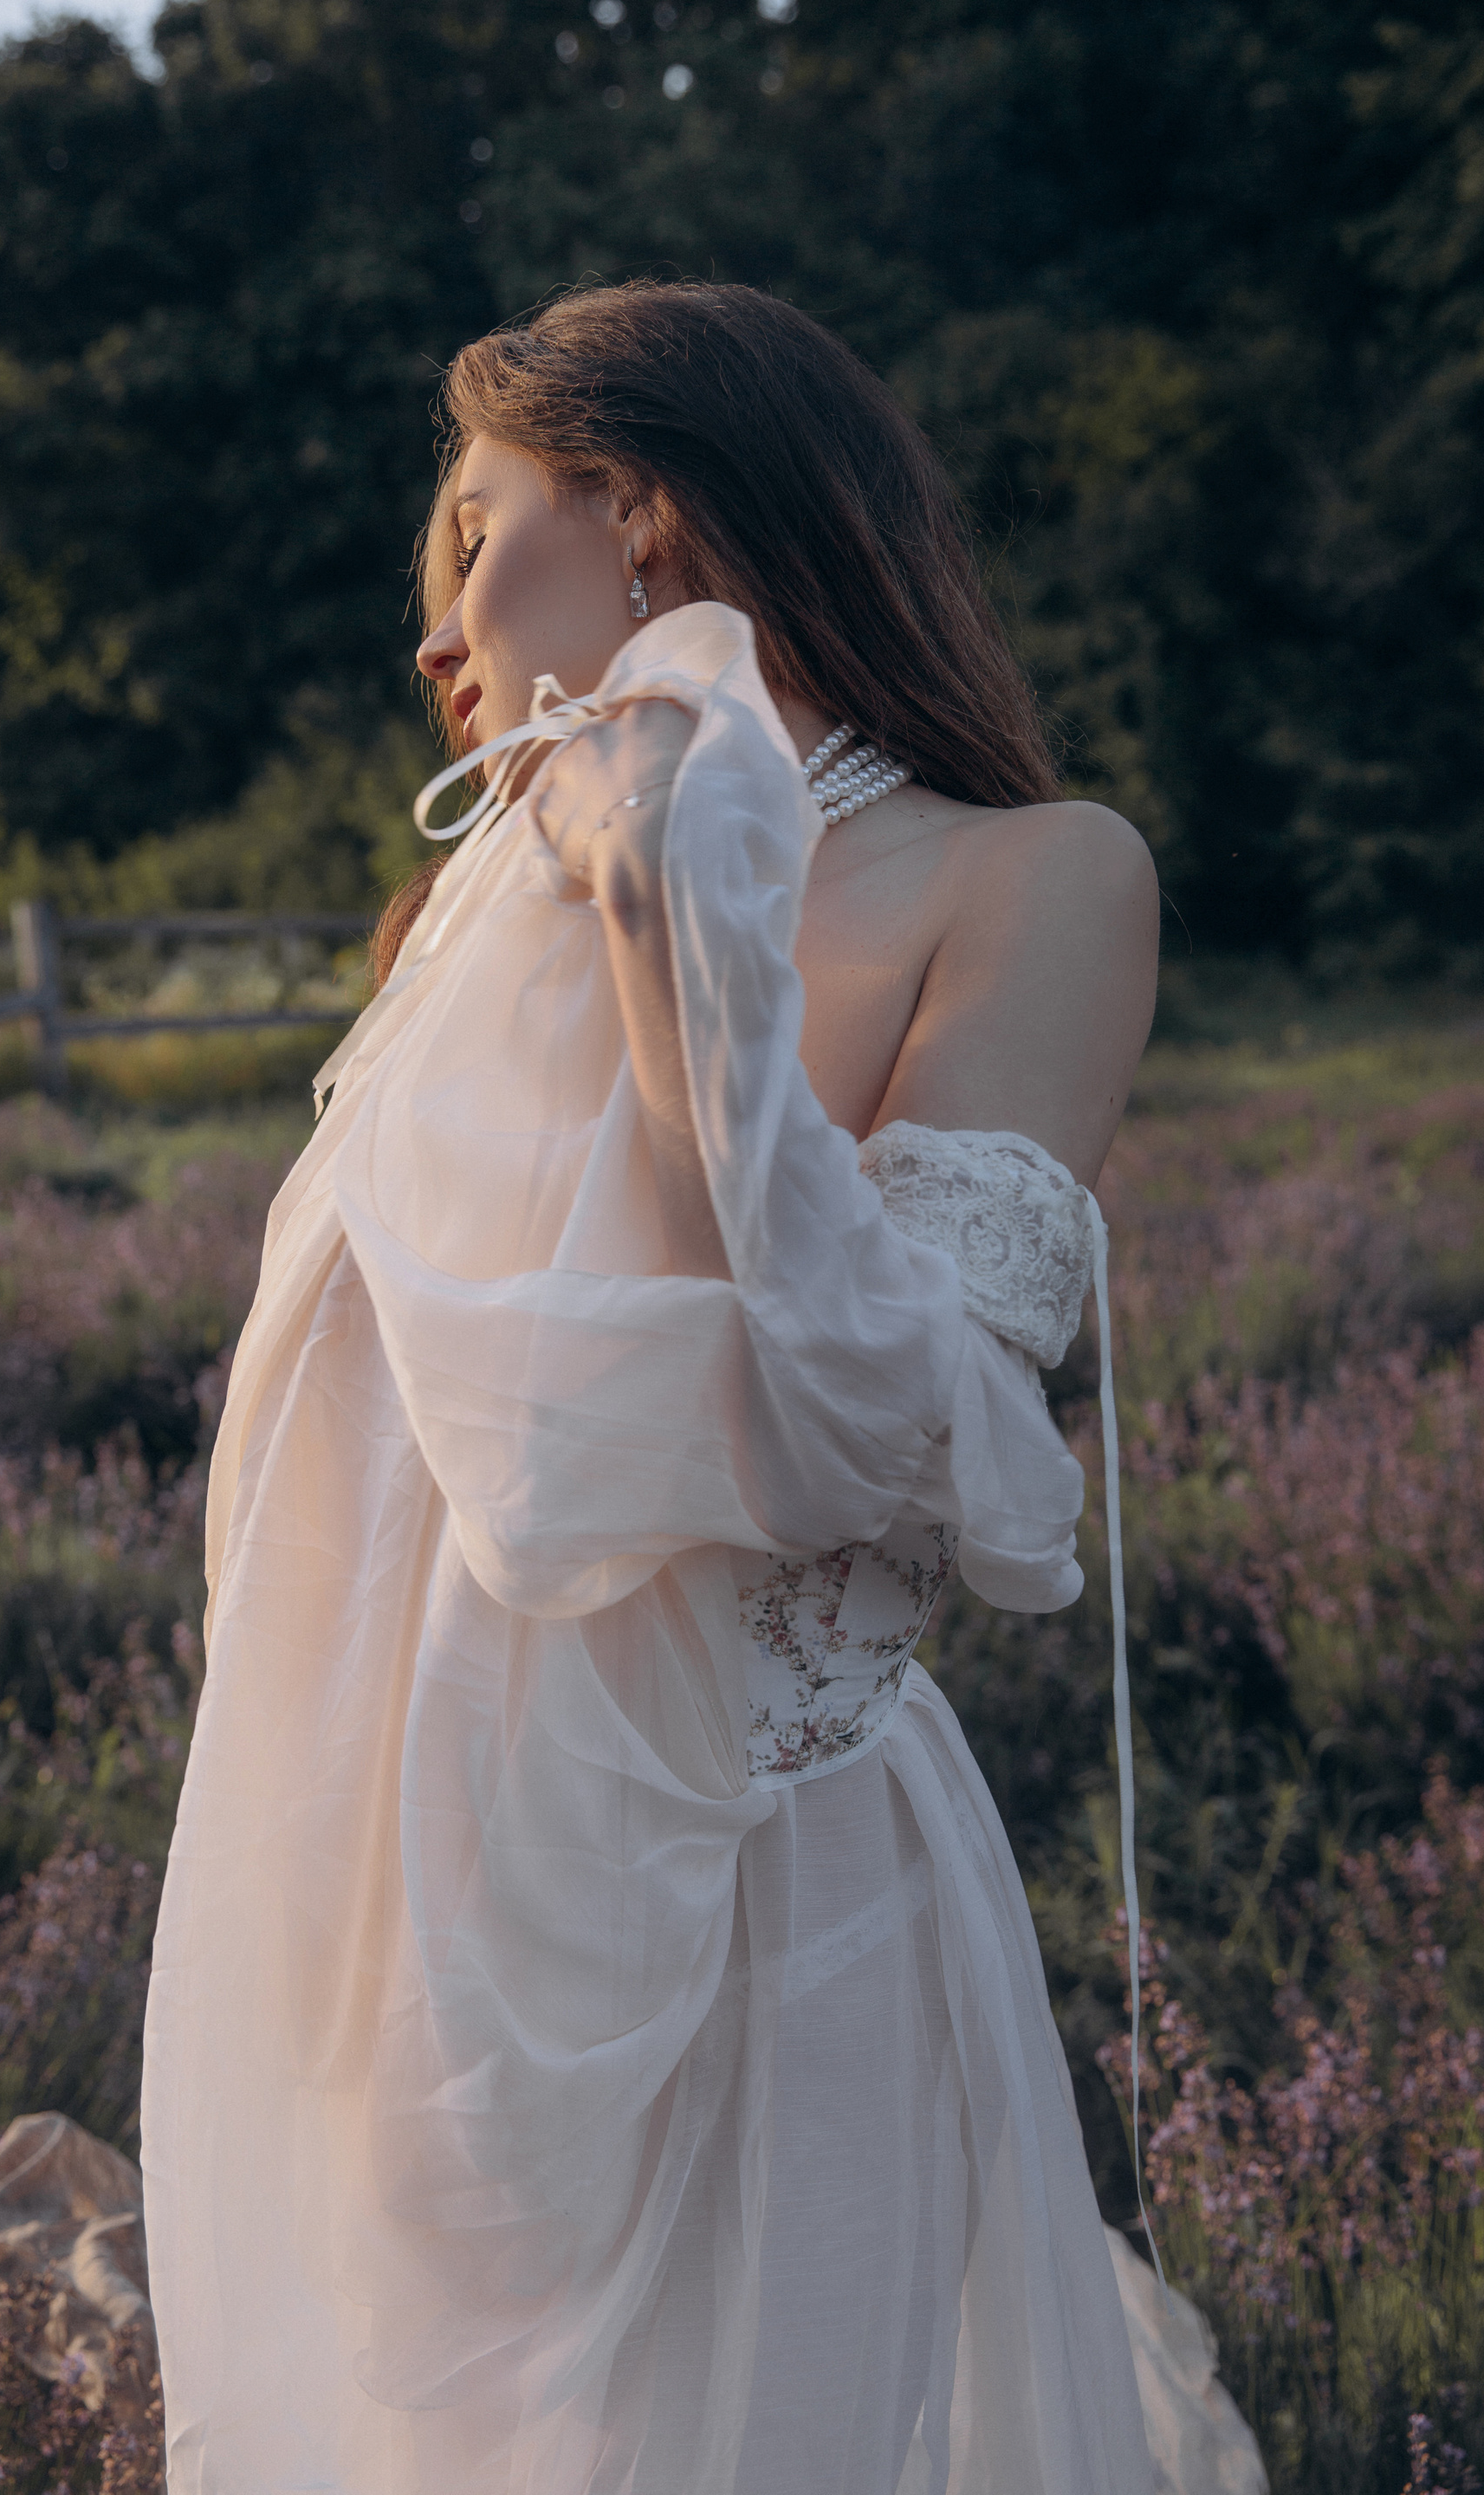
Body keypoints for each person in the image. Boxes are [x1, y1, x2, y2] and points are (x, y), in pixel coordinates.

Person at [140, 281, 1160, 2495]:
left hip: (766, 1898)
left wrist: (663, 932)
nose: (432, 633)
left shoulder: (1034, 875)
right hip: (409, 1915)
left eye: (470, 535)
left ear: (639, 516)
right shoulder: (454, 931)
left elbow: (888, 1438)